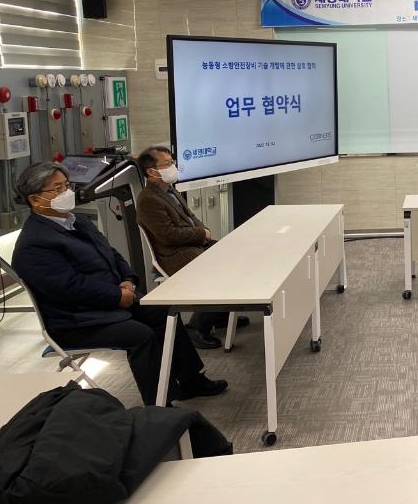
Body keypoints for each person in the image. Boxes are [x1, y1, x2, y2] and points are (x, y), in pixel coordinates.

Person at [12, 162, 228, 406]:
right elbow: (69, 288)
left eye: (67, 185)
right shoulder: (34, 244)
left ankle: (190, 381)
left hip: (108, 300)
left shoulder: (76, 221)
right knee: (141, 335)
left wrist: (128, 280)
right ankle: (160, 405)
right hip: (76, 320)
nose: (67, 192)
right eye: (57, 188)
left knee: (165, 313)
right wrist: (116, 296)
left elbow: (112, 254)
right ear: (35, 199)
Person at [135, 146, 248, 349]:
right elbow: (168, 236)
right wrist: (201, 234)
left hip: (190, 244)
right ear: (151, 171)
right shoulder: (148, 200)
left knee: (234, 255)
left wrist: (203, 231)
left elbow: (191, 217)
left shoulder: (169, 190)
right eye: (168, 164)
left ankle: (218, 315)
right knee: (220, 268)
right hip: (174, 254)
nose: (173, 167)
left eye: (172, 162)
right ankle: (197, 326)